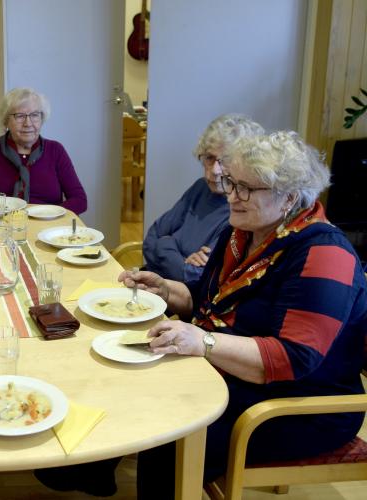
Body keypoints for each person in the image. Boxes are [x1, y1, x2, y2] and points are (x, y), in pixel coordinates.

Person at [126, 131, 367, 498]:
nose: (230, 195)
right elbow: (209, 301)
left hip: (298, 404)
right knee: (140, 379)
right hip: (242, 377)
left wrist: (203, 342)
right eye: (231, 183)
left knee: (172, 424)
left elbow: (294, 358)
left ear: (288, 197)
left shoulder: (325, 253)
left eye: (245, 188)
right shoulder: (243, 233)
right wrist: (167, 291)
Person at [143, 114, 264, 284]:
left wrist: (166, 243)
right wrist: (179, 257)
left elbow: (195, 277)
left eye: (225, 160)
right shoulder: (200, 188)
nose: (214, 170)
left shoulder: (240, 209)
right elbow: (151, 239)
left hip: (180, 304)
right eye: (209, 158)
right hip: (151, 282)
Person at [0, 87, 88, 214]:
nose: (28, 123)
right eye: (19, 116)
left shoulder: (55, 150)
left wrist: (51, 214)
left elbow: (79, 200)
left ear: (42, 119)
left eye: (34, 115)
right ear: (6, 121)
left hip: (45, 229)